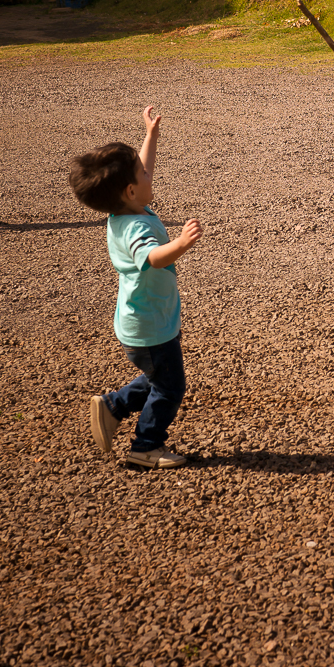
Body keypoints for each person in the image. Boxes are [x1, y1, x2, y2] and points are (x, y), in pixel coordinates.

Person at [68, 106, 203, 469]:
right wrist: (181, 244)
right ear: (131, 189)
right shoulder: (136, 228)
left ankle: (114, 406)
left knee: (160, 376)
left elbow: (141, 171)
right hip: (149, 325)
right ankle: (146, 445)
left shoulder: (125, 209)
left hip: (147, 320)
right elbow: (153, 257)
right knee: (171, 386)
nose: (148, 173)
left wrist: (151, 135)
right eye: (143, 174)